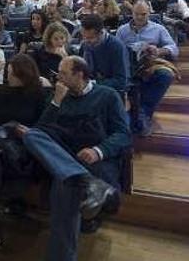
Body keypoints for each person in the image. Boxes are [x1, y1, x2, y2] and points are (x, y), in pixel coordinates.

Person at [20, 56, 127, 261]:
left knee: (66, 184)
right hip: (63, 156)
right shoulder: (59, 96)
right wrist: (56, 101)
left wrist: (98, 150)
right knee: (31, 134)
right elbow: (42, 130)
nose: (57, 77)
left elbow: (123, 134)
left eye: (63, 73)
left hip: (95, 160)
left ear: (79, 75)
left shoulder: (107, 95)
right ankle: (88, 182)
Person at [116, 0, 178, 136]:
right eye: (136, 14)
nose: (139, 17)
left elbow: (174, 48)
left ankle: (143, 111)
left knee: (166, 75)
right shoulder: (122, 30)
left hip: (149, 64)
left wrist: (159, 50)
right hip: (127, 66)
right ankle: (136, 115)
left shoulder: (158, 29)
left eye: (143, 14)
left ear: (149, 13)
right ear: (131, 13)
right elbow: (115, 52)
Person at [79, 14, 129, 94]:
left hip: (109, 92)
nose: (86, 41)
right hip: (90, 87)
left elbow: (121, 81)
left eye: (90, 38)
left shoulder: (116, 47)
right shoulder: (85, 44)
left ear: (101, 33)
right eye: (84, 37)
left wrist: (93, 84)